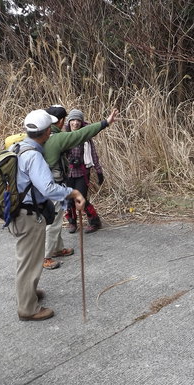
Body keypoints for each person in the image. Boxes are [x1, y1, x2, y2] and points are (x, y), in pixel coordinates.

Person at [9, 109, 85, 321]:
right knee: (29, 261)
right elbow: (48, 188)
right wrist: (72, 192)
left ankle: (29, 295)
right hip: (28, 214)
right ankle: (28, 308)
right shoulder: (33, 155)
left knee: (27, 259)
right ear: (45, 134)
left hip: (18, 211)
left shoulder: (17, 146)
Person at [41, 106, 118, 269]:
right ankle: (46, 256)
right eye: (70, 119)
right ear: (62, 121)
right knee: (54, 221)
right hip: (52, 184)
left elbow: (90, 148)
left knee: (62, 211)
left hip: (54, 181)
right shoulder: (57, 137)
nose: (74, 122)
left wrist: (97, 170)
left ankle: (58, 248)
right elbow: (82, 134)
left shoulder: (41, 134)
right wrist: (106, 122)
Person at [63, 109, 105, 235]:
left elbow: (93, 155)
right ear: (69, 121)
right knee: (69, 199)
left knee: (82, 198)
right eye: (73, 120)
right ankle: (72, 221)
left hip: (82, 173)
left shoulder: (85, 138)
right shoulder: (63, 136)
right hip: (67, 173)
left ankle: (94, 221)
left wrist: (99, 171)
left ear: (81, 123)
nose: (75, 123)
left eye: (78, 121)